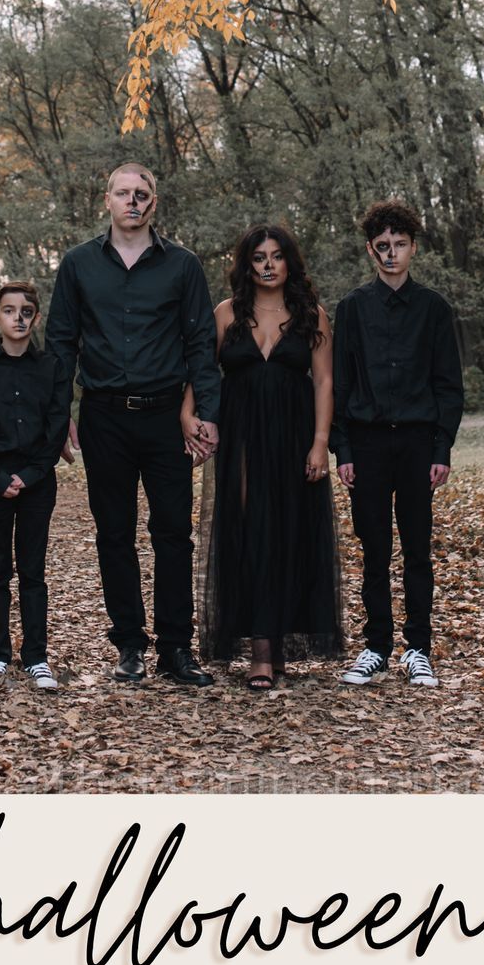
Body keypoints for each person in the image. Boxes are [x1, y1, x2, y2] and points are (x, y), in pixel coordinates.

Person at [45, 162, 220, 687]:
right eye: (123, 193)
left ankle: (175, 649)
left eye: (142, 193)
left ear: (154, 203)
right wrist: (59, 417)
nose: (133, 201)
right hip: (103, 417)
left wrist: (205, 414)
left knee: (173, 535)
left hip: (167, 417)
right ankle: (128, 645)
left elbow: (200, 347)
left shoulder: (183, 266)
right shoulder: (78, 265)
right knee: (113, 535)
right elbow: (60, 345)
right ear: (107, 201)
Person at [185, 223, 343, 689]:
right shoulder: (226, 313)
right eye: (259, 257)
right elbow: (202, 371)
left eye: (277, 256)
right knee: (250, 529)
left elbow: (324, 382)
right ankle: (258, 649)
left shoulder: (311, 314)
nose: (268, 265)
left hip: (295, 436)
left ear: (289, 261)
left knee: (289, 532)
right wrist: (186, 415)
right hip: (242, 438)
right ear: (246, 264)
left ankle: (279, 643)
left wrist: (320, 442)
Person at [330, 198, 464, 689]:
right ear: (371, 249)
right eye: (382, 246)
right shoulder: (351, 309)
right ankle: (376, 647)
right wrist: (342, 449)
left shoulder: (433, 309)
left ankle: (418, 649)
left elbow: (449, 385)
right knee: (374, 549)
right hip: (365, 445)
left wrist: (440, 448)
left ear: (413, 248)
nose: (391, 254)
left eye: (399, 245)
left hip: (415, 443)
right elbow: (340, 387)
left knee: (416, 549)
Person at [0, 281, 70, 690]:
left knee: (34, 571)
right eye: (9, 310)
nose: (18, 318)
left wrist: (32, 474)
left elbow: (57, 427)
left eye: (26, 311)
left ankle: (36, 656)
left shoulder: (52, 368)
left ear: (35, 318)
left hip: (38, 484)